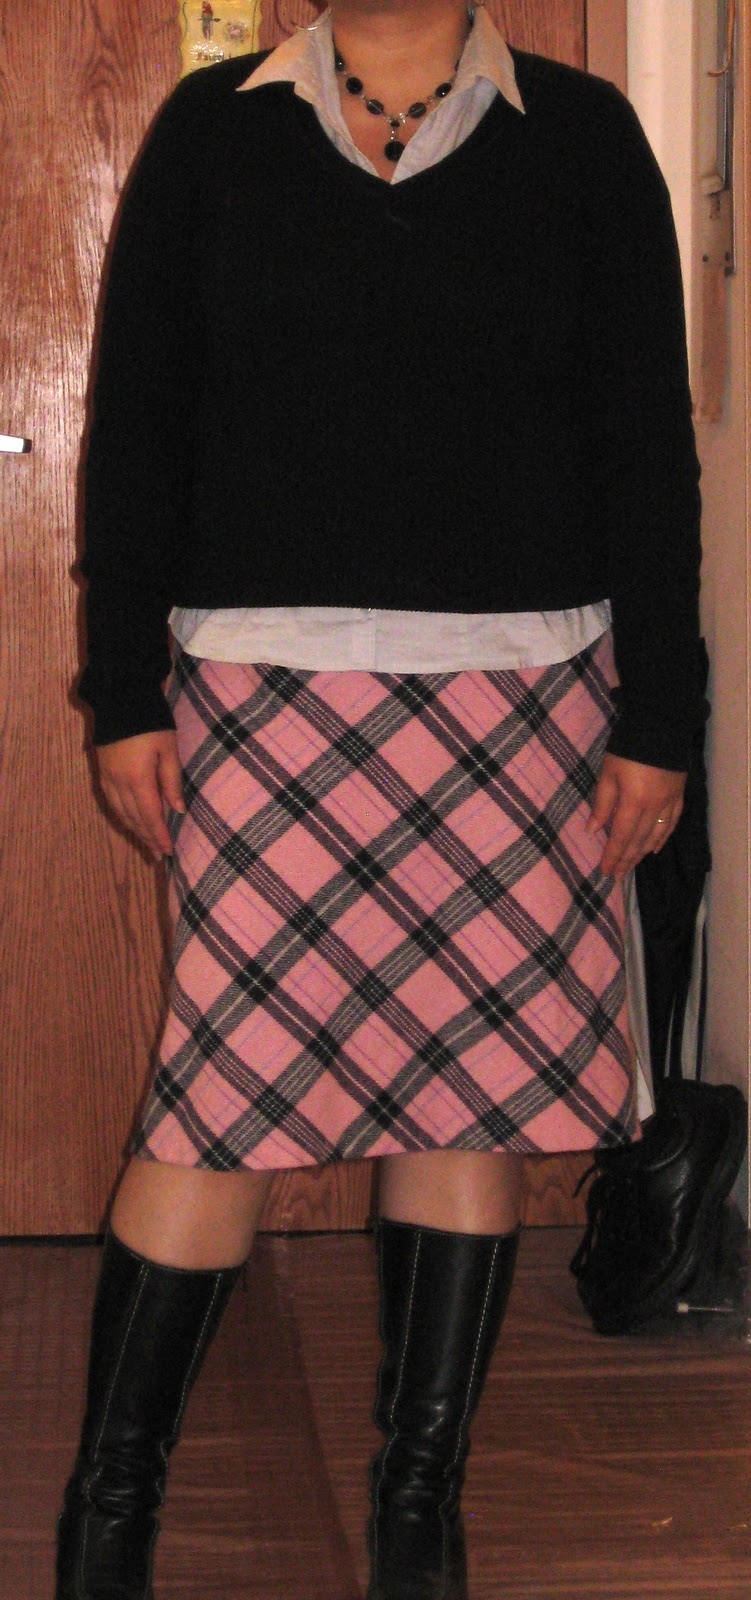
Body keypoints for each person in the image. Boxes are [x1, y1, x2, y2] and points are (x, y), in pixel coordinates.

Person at [57, 0, 701, 1596]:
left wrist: (662, 717)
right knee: (218, 1097)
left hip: (523, 691)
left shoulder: (584, 140)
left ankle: (421, 1510)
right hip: (261, 689)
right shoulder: (214, 132)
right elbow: (137, 423)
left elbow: (646, 443)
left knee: (472, 1094)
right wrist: (122, 688)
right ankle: (109, 1519)